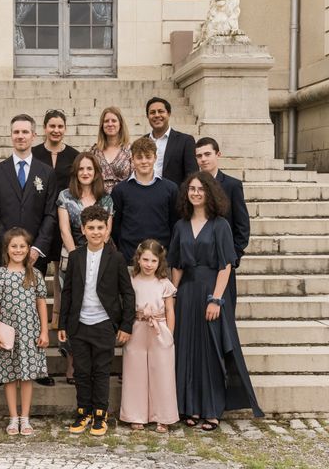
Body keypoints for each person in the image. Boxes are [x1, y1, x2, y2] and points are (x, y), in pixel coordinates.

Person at [168, 171, 264, 431]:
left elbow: (226, 266)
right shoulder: (180, 225)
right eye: (192, 189)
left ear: (210, 192)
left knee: (210, 354)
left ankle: (211, 410)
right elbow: (176, 264)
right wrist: (172, 294)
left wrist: (216, 299)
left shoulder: (220, 224)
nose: (196, 193)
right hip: (187, 294)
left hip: (211, 292)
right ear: (186, 193)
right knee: (186, 352)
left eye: (201, 189)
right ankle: (189, 407)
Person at [0, 113, 57, 387]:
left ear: (34, 136)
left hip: (35, 254)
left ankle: (37, 367)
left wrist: (35, 247)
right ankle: (2, 369)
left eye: (25, 132)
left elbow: (50, 213)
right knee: (4, 310)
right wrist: (11, 247)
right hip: (2, 254)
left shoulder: (46, 172)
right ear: (11, 135)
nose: (20, 136)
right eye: (16, 132)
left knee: (33, 308)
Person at [59, 206, 135, 436]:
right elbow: (68, 292)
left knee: (101, 371)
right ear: (82, 229)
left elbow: (128, 293)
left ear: (107, 230)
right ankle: (84, 412)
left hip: (104, 323)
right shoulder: (75, 257)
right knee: (81, 371)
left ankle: (100, 415)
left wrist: (126, 325)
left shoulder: (117, 257)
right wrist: (62, 324)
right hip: (79, 323)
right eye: (90, 228)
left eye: (100, 227)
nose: (95, 232)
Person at [57, 152, 113, 383]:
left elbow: (107, 232)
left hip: (100, 258)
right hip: (71, 259)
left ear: (96, 172)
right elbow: (64, 230)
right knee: (72, 310)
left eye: (89, 169)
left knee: (94, 306)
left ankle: (95, 365)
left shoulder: (106, 198)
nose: (85, 173)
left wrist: (92, 254)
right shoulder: (65, 196)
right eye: (81, 169)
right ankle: (72, 365)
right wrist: (77, 257)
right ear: (76, 172)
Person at [0, 228, 49, 436]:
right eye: (14, 246)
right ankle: (13, 417)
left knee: (27, 376)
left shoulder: (35, 274)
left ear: (29, 249)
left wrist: (44, 331)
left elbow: (41, 303)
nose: (18, 250)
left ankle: (25, 417)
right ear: (6, 249)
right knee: (10, 375)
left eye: (22, 246)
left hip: (29, 331)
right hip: (7, 332)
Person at [119, 239, 179, 433]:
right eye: (145, 259)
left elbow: (170, 310)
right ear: (138, 259)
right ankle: (136, 415)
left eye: (153, 261)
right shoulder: (132, 281)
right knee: (134, 372)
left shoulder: (164, 283)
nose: (148, 264)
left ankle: (163, 417)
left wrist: (169, 334)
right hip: (137, 328)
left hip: (159, 329)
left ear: (159, 262)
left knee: (162, 373)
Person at [32, 109, 79, 331]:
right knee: (37, 272)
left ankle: (57, 317)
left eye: (60, 126)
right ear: (44, 128)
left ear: (65, 129)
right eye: (52, 126)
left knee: (61, 270)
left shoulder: (74, 156)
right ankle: (36, 317)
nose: (56, 130)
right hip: (40, 220)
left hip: (64, 219)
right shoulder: (33, 154)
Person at [195, 136, 250, 308]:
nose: (203, 159)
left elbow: (242, 226)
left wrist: (232, 257)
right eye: (199, 156)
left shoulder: (232, 185)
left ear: (218, 154)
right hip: (198, 263)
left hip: (223, 262)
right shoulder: (191, 185)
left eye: (207, 154)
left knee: (223, 313)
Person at [111, 137, 179, 264]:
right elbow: (116, 227)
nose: (144, 161)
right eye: (139, 157)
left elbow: (174, 223)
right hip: (130, 258)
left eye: (148, 157)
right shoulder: (120, 190)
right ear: (132, 159)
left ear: (155, 158)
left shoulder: (170, 189)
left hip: (160, 259)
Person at [145, 96, 198, 186]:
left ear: (169, 114)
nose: (157, 115)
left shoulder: (185, 141)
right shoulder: (142, 141)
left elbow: (192, 175)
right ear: (147, 116)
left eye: (161, 111)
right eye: (152, 112)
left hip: (174, 197)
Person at [90, 106, 132, 194]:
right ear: (102, 125)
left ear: (120, 124)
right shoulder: (94, 151)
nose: (110, 124)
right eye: (106, 121)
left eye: (114, 120)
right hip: (99, 200)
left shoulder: (130, 150)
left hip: (124, 199)